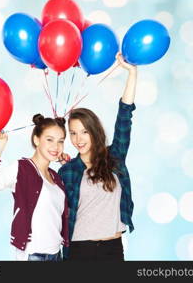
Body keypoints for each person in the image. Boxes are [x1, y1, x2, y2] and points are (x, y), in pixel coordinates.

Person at [58, 52, 137, 261]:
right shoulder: (67, 171)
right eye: (73, 133)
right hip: (80, 250)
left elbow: (124, 118)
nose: (78, 139)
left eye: (84, 131)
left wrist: (131, 73)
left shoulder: (115, 158)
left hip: (113, 248)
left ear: (94, 131)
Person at [0, 115, 69, 261]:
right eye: (49, 139)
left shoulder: (57, 177)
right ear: (36, 139)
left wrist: (67, 165)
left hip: (57, 254)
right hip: (33, 255)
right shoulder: (22, 168)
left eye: (60, 141)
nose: (56, 147)